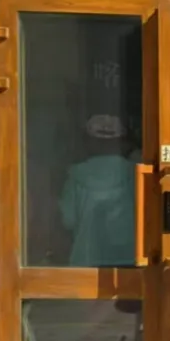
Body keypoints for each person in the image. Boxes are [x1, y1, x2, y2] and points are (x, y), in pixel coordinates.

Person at [59, 114, 137, 267]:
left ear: (89, 142)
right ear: (120, 142)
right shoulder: (134, 173)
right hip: (128, 258)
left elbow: (67, 220)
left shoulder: (75, 175)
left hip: (86, 258)